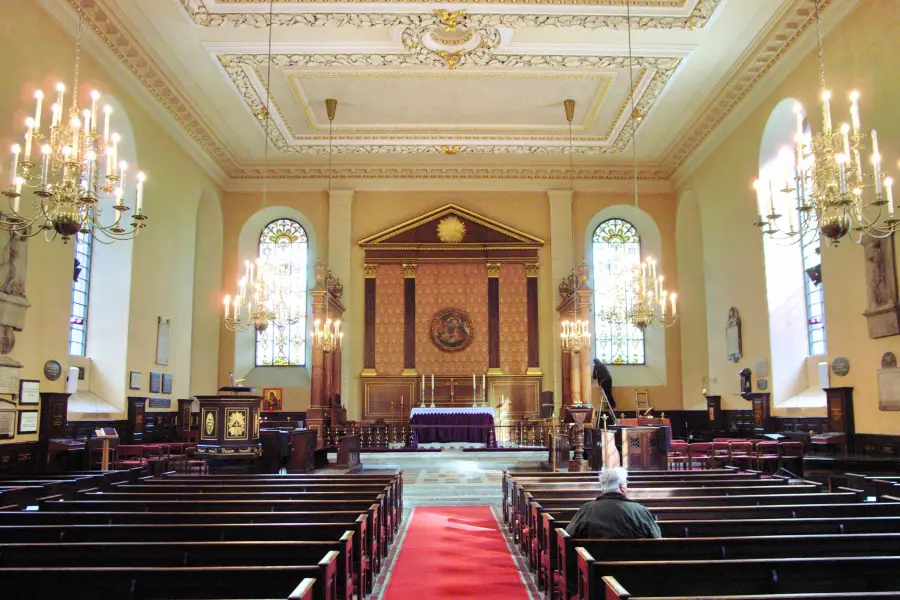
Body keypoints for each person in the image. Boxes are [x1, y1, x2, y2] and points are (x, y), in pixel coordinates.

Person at [564, 467, 661, 539]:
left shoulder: (586, 509)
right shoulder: (640, 511)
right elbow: (656, 540)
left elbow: (568, 536)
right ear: (622, 487)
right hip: (634, 565)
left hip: (594, 565)